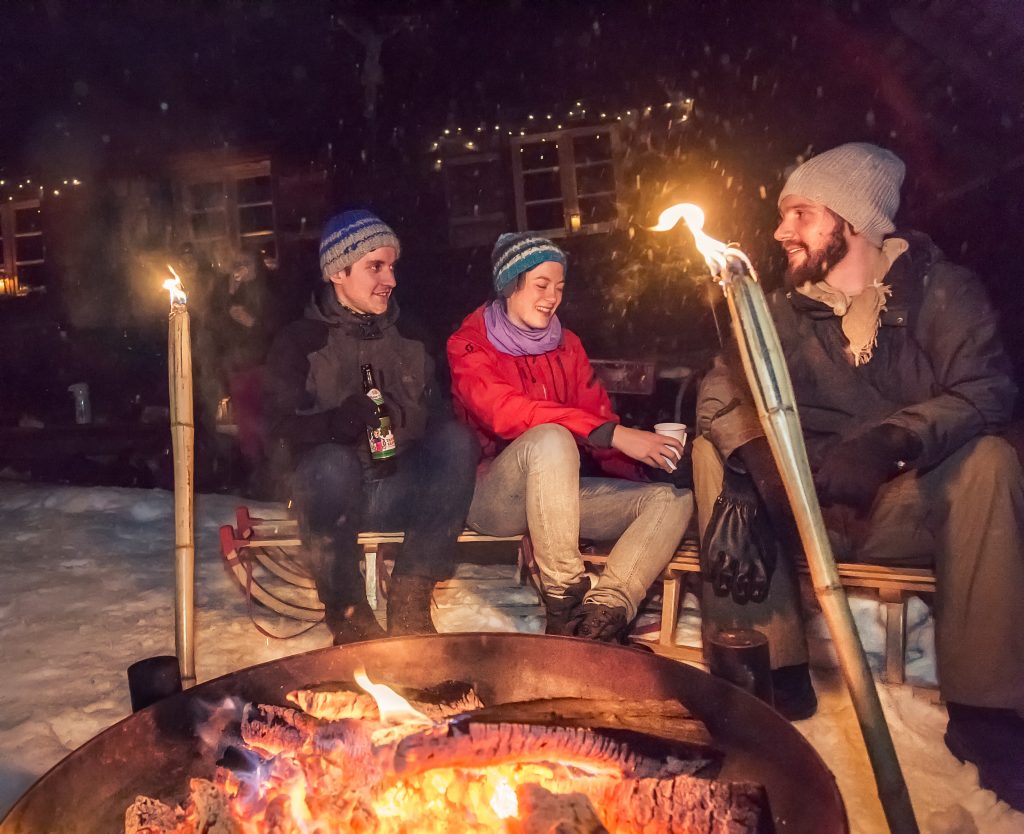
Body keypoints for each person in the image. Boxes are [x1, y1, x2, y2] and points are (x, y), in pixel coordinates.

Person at [694, 142, 1024, 808]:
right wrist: (762, 459)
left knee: (990, 461)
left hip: (900, 504)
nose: (783, 231)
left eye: (802, 214)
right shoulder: (778, 313)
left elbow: (986, 388)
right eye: (784, 216)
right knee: (716, 449)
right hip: (800, 506)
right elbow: (719, 388)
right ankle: (771, 666)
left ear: (853, 221)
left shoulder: (939, 290)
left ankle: (986, 714)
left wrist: (893, 442)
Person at [448, 233, 694, 641]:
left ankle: (603, 616)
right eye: (541, 285)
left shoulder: (568, 345)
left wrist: (646, 466)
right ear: (510, 285)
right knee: (551, 437)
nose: (552, 297)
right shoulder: (469, 346)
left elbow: (598, 418)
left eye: (559, 287)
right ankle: (564, 599)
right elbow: (504, 412)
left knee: (672, 502)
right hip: (493, 496)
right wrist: (612, 433)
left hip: (559, 497)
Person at [263, 209, 478, 644]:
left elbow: (437, 421)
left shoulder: (412, 336)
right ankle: (347, 610)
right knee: (329, 464)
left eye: (392, 266)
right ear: (337, 272)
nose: (390, 279)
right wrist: (333, 423)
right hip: (331, 500)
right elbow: (277, 431)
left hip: (397, 485)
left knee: (456, 440)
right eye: (375, 267)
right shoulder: (299, 341)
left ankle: (412, 591)